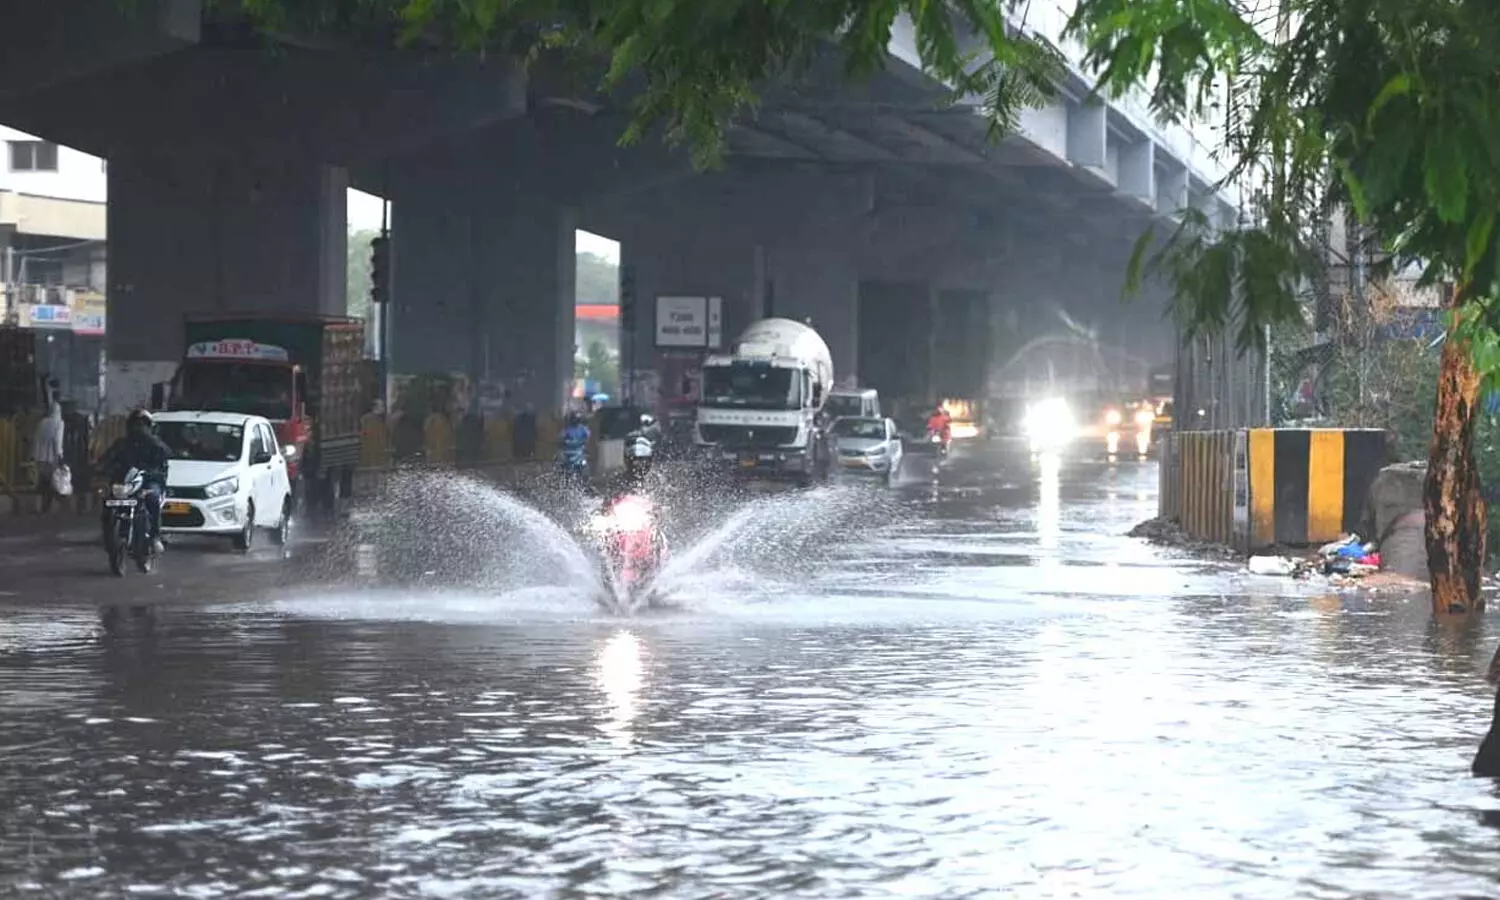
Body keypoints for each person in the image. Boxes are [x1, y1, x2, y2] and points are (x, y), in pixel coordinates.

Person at [99, 409, 172, 552]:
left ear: (149, 426)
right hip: (125, 484)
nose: (138, 428)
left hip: (148, 482)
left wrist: (153, 472)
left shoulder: (156, 444)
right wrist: (101, 470)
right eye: (135, 424)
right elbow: (107, 460)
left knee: (153, 498)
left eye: (142, 424)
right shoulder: (121, 444)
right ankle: (108, 537)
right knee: (107, 502)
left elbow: (165, 456)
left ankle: (154, 536)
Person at [30, 402, 65, 514]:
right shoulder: (59, 423)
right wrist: (60, 455)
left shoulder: (42, 422)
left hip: (40, 457)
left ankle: (42, 506)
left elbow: (35, 439)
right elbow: (57, 441)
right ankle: (52, 505)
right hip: (51, 457)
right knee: (53, 481)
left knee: (43, 481)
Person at [559, 410, 591, 484]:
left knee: (584, 466)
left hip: (579, 452)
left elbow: (588, 436)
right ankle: (564, 480)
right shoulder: (567, 429)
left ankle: (585, 482)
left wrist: (584, 442)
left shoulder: (583, 429)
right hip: (568, 452)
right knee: (562, 464)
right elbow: (561, 438)